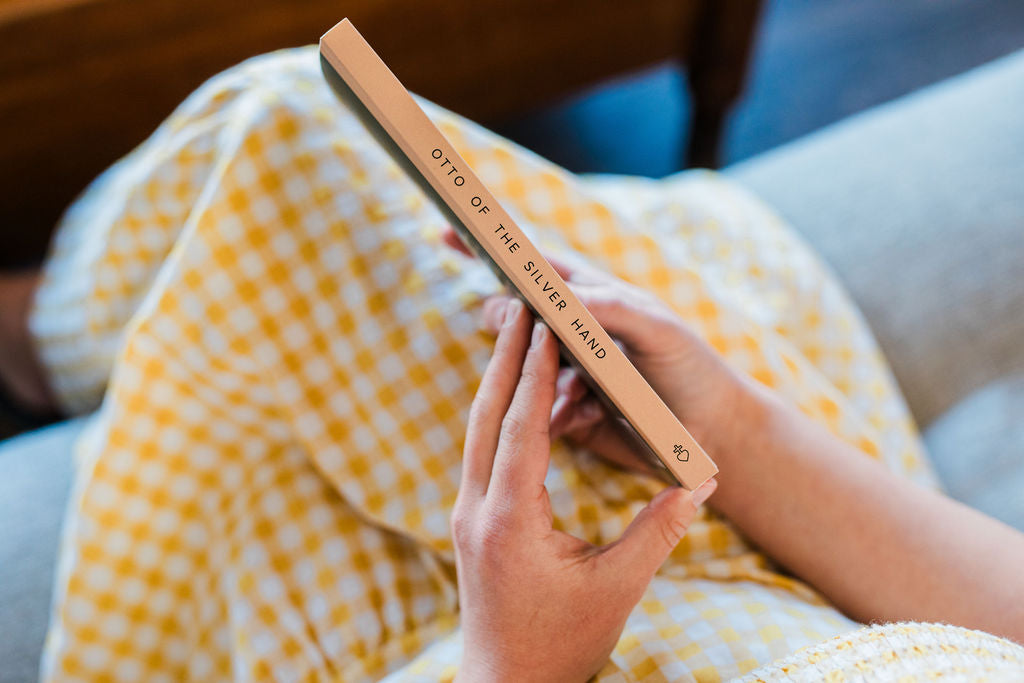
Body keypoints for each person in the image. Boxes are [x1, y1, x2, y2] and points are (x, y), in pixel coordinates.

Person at [3, 46, 1022, 681]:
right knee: (293, 122)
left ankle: (44, 343)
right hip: (761, 544)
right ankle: (52, 336)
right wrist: (727, 424)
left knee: (268, 179)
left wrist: (519, 663)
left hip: (489, 655)